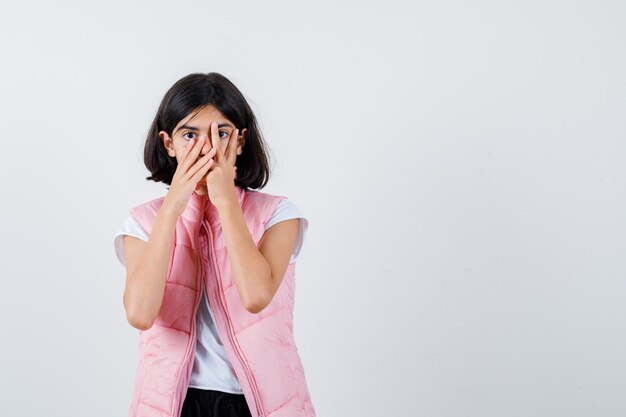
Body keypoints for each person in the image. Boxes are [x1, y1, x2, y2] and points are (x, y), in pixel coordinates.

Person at [113, 72, 316, 417]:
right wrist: (172, 208)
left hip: (258, 404)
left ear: (240, 142)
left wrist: (226, 203)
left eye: (221, 133)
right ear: (168, 144)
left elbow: (255, 296)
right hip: (175, 404)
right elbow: (140, 313)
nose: (207, 148)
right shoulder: (142, 222)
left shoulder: (278, 214)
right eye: (189, 135)